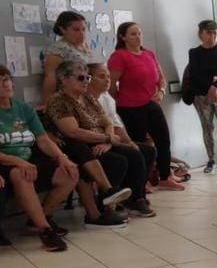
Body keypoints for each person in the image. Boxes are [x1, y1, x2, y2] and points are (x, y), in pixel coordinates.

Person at [49, 60, 154, 221]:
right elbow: (73, 131)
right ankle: (105, 203)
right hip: (79, 146)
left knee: (135, 152)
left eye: (87, 78)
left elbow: (107, 122)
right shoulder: (59, 100)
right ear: (63, 79)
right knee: (117, 161)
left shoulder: (88, 98)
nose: (85, 82)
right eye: (81, 78)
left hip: (101, 141)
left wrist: (108, 140)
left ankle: (134, 199)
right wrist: (106, 138)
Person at [0, 65, 79, 250]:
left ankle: (40, 218)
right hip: (6, 161)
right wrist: (18, 161)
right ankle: (45, 230)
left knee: (70, 172)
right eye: (0, 80)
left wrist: (62, 157)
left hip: (28, 158)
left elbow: (43, 140)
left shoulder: (24, 108)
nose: (5, 84)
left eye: (7, 79)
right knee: (22, 173)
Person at [108, 22, 183, 191]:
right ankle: (141, 181)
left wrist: (161, 91)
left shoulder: (149, 53)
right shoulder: (119, 56)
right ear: (123, 37)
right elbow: (111, 84)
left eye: (139, 33)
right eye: (133, 34)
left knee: (163, 139)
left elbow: (161, 78)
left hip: (151, 103)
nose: (137, 37)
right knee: (139, 144)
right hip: (129, 107)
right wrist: (117, 100)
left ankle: (165, 176)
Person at [89, 62, 157, 201]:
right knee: (129, 156)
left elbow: (116, 125)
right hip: (94, 143)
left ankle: (136, 195)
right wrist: (109, 141)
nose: (107, 80)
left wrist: (129, 142)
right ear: (89, 78)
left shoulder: (106, 97)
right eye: (101, 76)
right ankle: (119, 199)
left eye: (108, 76)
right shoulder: (83, 99)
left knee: (147, 150)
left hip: (109, 139)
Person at [189, 20, 217, 174]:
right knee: (207, 127)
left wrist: (216, 86)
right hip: (202, 95)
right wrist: (209, 88)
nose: (212, 36)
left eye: (215, 32)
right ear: (201, 34)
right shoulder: (194, 53)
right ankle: (211, 160)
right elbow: (195, 75)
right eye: (208, 32)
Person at [42, 11, 94, 102]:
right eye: (76, 30)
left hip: (88, 96)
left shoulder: (85, 47)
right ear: (63, 29)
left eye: (83, 29)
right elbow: (50, 77)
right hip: (69, 98)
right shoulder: (59, 49)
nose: (81, 34)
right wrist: (47, 101)